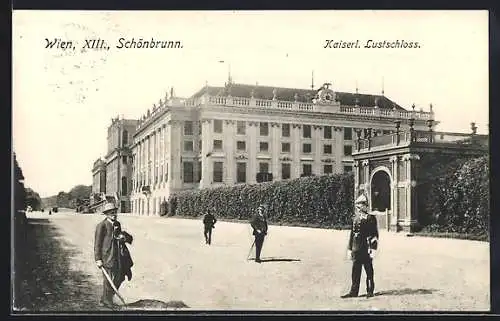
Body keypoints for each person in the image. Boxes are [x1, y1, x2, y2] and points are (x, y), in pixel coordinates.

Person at [94, 202, 134, 308]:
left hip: (118, 256)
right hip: (107, 257)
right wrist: (98, 259)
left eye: (115, 212)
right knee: (108, 280)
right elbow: (97, 244)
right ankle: (107, 301)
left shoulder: (117, 224)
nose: (114, 215)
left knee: (119, 277)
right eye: (111, 213)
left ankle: (105, 299)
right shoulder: (101, 226)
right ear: (106, 214)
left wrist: (122, 237)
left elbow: (120, 237)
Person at [341, 190, 379, 298]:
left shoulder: (370, 218)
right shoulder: (355, 219)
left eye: (360, 205)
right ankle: (354, 291)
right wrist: (349, 249)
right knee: (355, 271)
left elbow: (374, 235)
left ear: (365, 206)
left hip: (366, 248)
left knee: (369, 270)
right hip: (356, 248)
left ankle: (370, 291)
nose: (358, 207)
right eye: (357, 205)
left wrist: (373, 250)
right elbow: (352, 235)